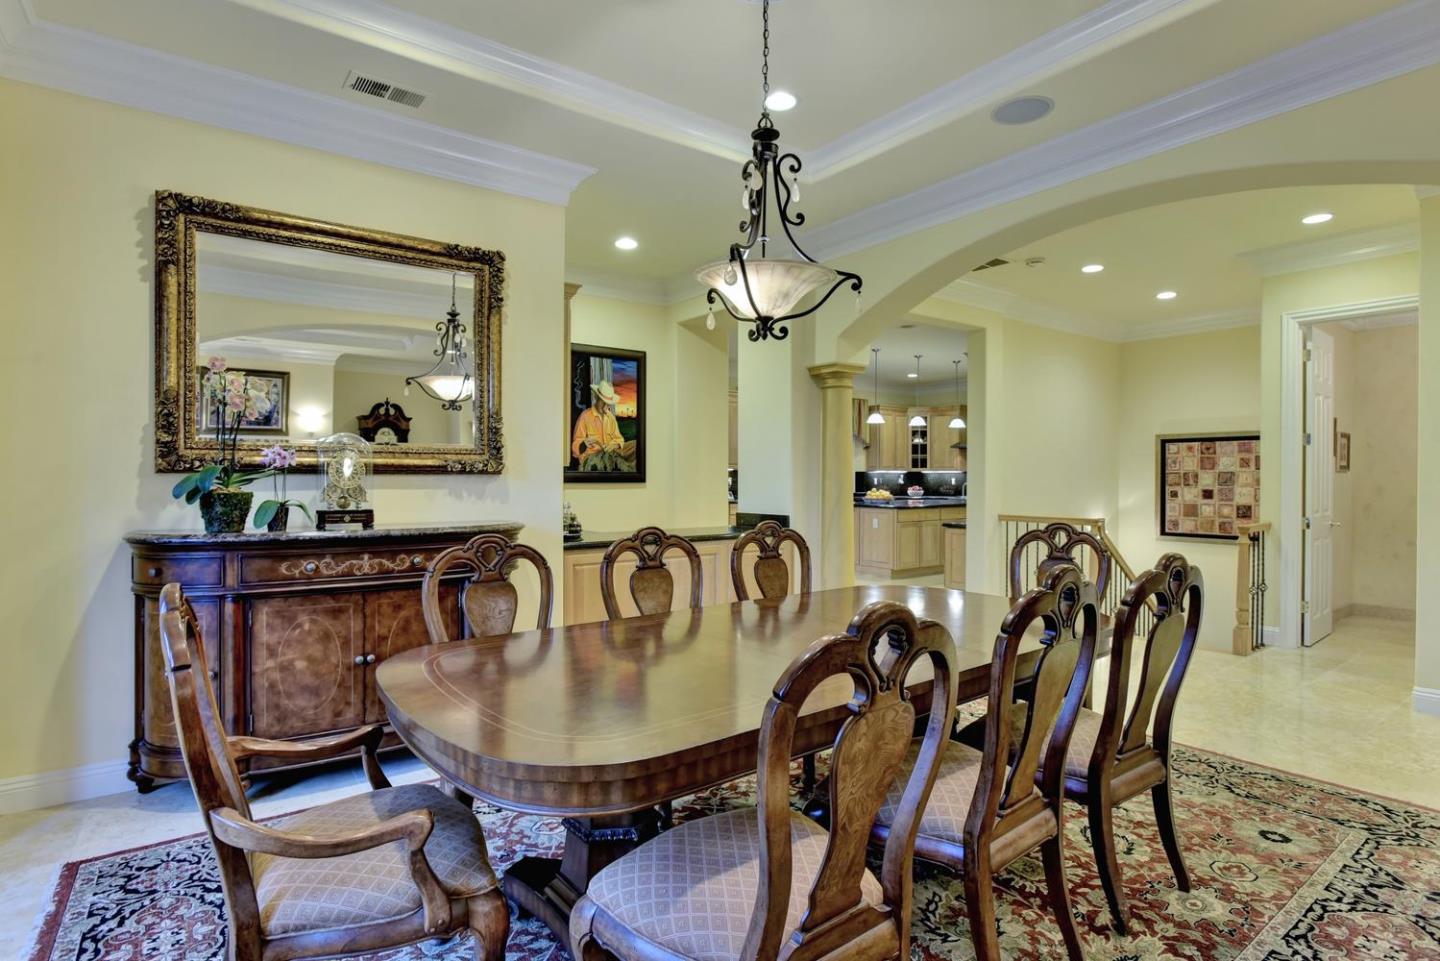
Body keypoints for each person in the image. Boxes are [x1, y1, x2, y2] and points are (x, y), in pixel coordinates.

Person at [570, 380, 637, 471]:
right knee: (618, 463)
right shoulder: (585, 416)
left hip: (612, 452)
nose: (606, 406)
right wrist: (584, 444)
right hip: (593, 457)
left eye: (608, 403)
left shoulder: (610, 417)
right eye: (603, 402)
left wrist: (614, 445)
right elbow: (575, 449)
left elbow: (619, 439)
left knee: (636, 445)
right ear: (596, 398)